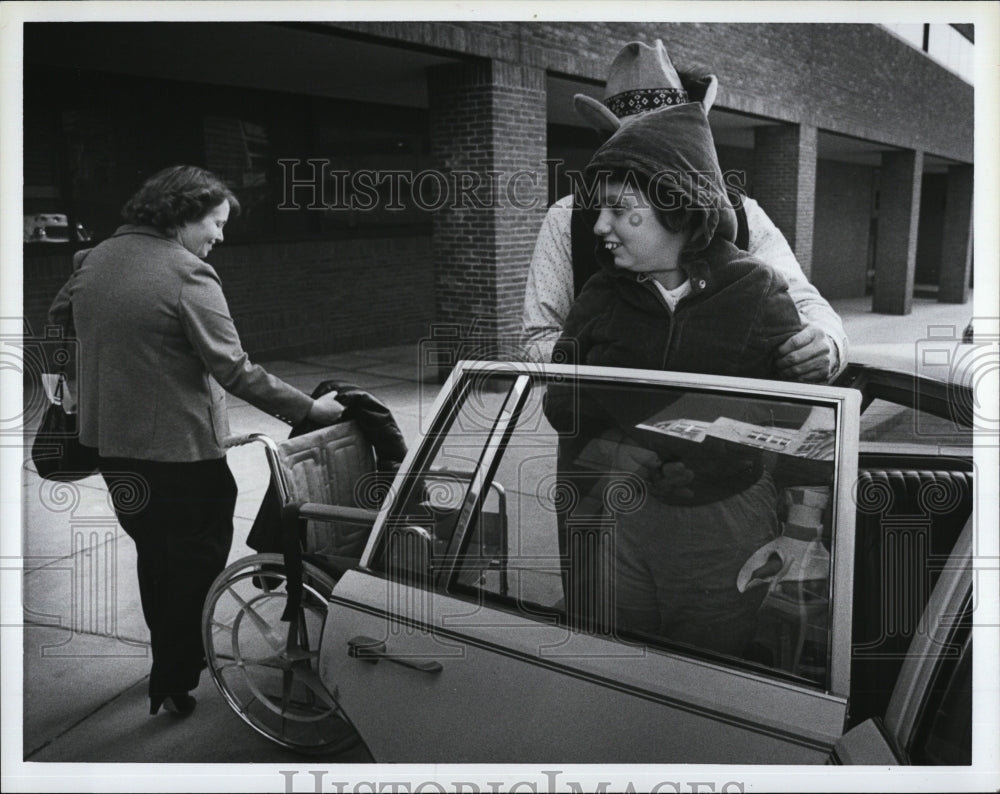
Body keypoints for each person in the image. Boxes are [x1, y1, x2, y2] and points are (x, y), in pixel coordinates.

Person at [47, 165, 344, 717]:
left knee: (156, 556)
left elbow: (61, 319)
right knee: (195, 558)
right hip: (180, 456)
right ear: (183, 214)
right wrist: (307, 409)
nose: (220, 237)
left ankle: (168, 667)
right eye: (216, 222)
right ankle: (179, 672)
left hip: (115, 451)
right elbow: (233, 367)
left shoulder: (92, 260)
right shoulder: (187, 273)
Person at [545, 90, 803, 655]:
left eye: (620, 210)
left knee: (707, 670)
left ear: (680, 210)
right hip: (623, 518)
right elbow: (560, 401)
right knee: (618, 659)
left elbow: (796, 415)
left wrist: (711, 454)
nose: (600, 227)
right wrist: (616, 450)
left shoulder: (757, 291)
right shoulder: (599, 294)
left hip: (724, 527)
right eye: (599, 210)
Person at [522, 40, 846, 383]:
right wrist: (615, 359)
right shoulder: (565, 218)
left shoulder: (745, 215)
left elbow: (807, 307)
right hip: (602, 433)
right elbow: (536, 340)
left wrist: (825, 345)